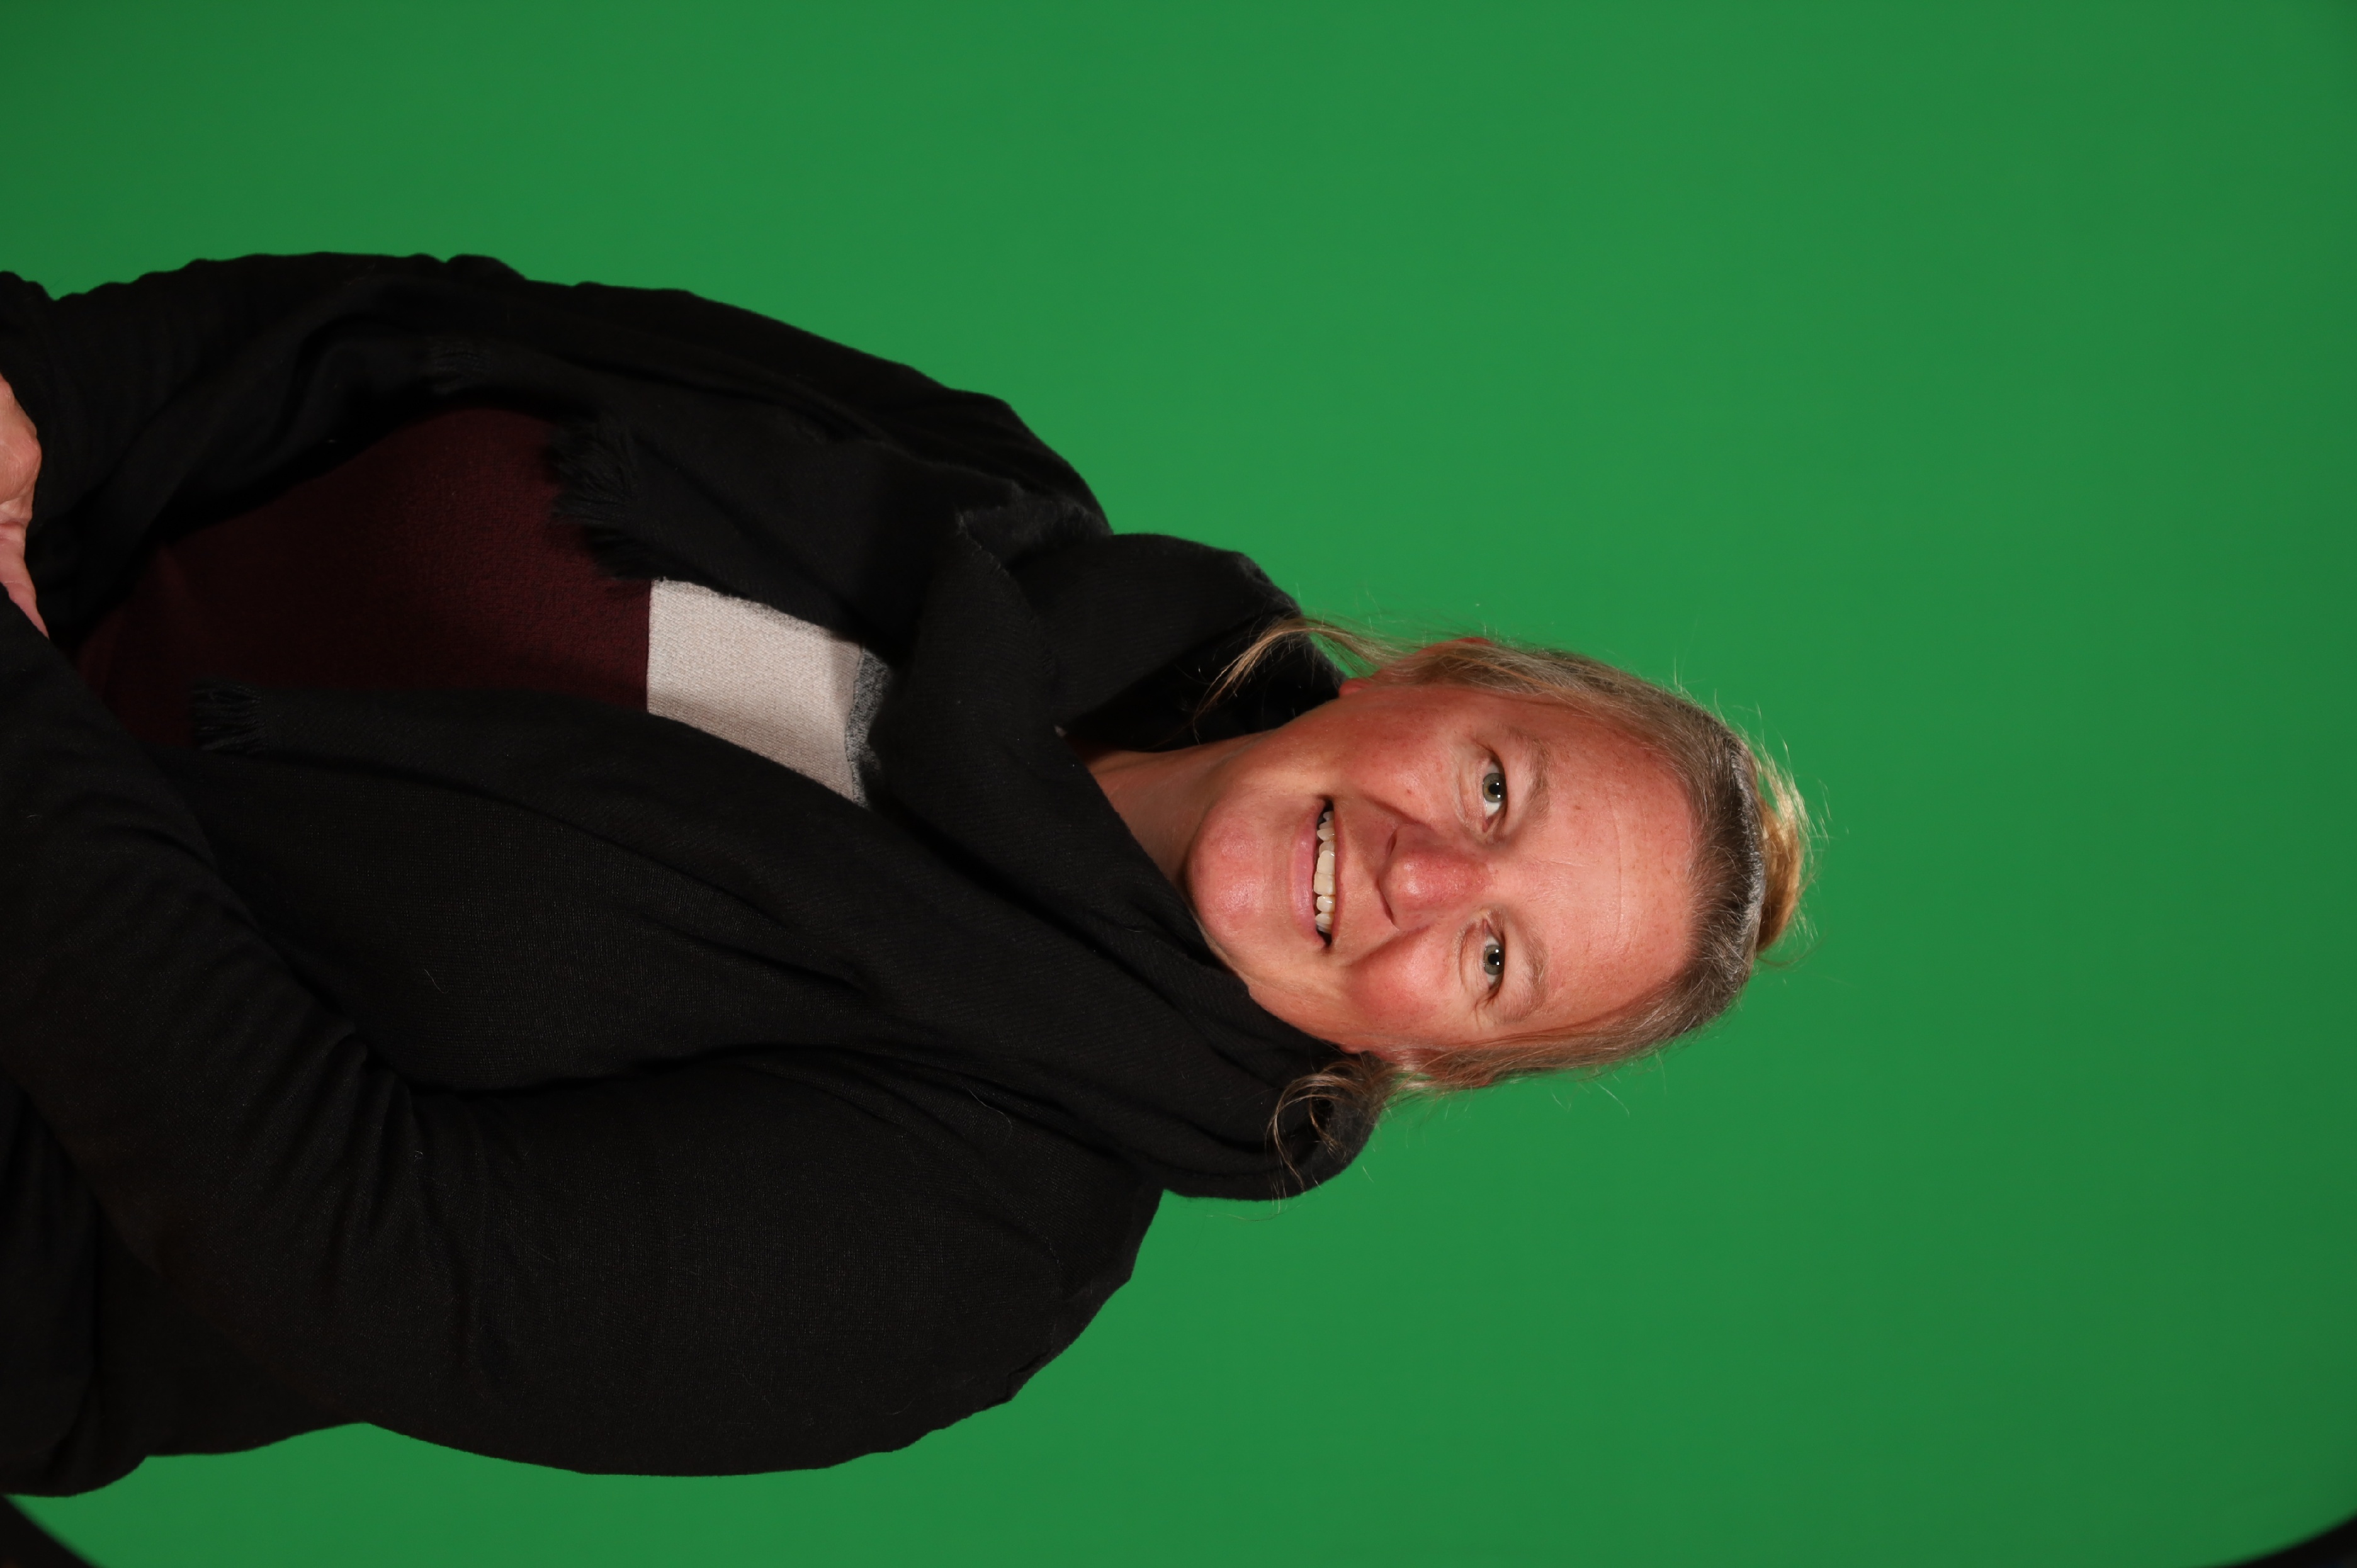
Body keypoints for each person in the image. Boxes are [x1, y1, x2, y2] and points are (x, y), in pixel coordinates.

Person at [0, 254, 1807, 1497]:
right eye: (1495, 786)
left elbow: (333, 1227)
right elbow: (419, 335)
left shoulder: (974, 1257)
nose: (1429, 875)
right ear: (1435, 675)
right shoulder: (988, 497)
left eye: (1495, 958)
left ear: (1436, 1061)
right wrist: (30, 405)